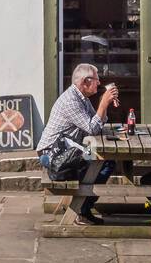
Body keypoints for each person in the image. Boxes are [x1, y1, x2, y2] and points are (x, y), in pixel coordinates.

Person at [36, 63, 117, 225]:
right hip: (53, 154)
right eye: (96, 79)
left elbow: (98, 122)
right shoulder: (71, 101)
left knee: (105, 161)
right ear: (85, 81)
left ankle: (81, 206)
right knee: (103, 163)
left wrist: (104, 103)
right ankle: (81, 210)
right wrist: (103, 104)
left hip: (69, 148)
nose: (99, 83)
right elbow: (92, 128)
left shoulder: (82, 97)